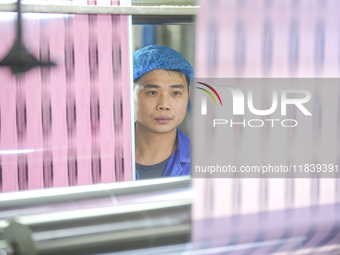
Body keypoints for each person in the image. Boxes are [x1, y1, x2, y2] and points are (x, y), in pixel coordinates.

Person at [133, 45, 193, 180]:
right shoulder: (102, 158)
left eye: (176, 93)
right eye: (152, 92)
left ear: (187, 95)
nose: (164, 105)